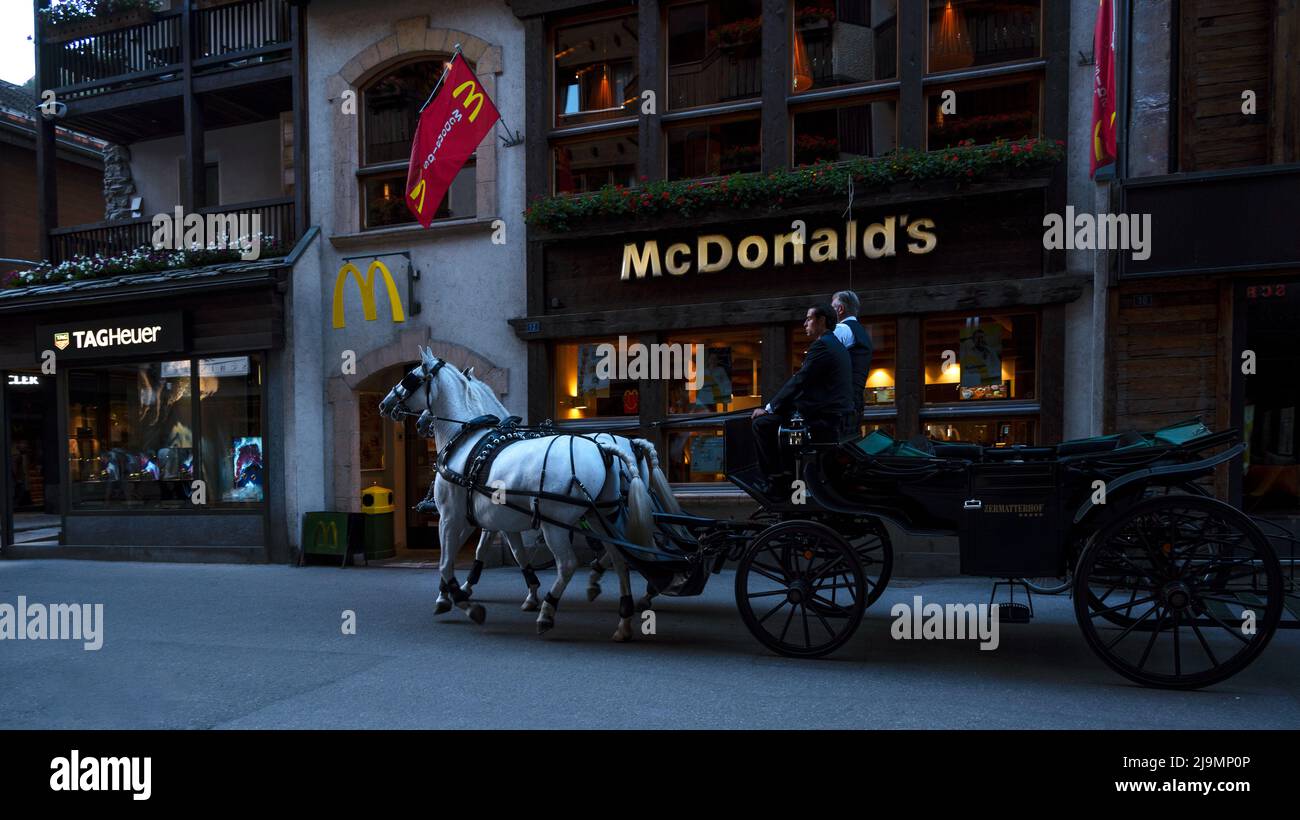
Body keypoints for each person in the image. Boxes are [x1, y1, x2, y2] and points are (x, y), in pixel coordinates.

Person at [750, 304, 854, 490]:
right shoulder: (837, 346)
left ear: (821, 321)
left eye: (809, 319)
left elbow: (800, 380)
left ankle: (776, 480)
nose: (805, 323)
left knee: (761, 424)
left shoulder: (822, 345)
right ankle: (787, 474)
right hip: (836, 417)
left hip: (823, 419)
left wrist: (768, 408)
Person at [831, 290, 873, 421]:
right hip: (856, 401)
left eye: (832, 307)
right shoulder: (862, 332)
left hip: (839, 403)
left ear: (840, 309)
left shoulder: (840, 329)